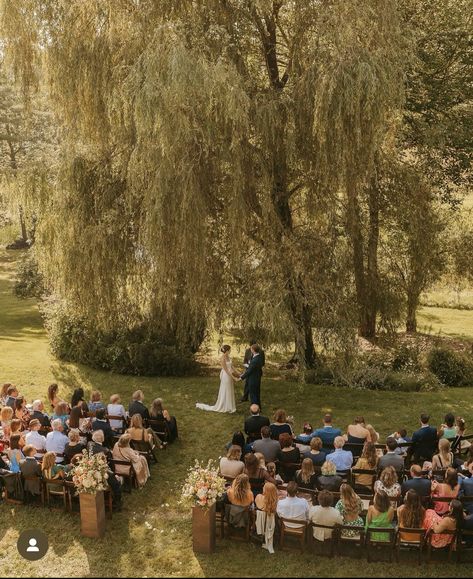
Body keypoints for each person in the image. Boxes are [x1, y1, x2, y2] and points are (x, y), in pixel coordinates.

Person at [196, 345, 238, 413]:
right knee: (226, 390)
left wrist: (239, 372)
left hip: (229, 375)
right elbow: (226, 370)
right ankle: (224, 406)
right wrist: (234, 377)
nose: (230, 351)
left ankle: (230, 406)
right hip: (226, 376)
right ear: (227, 351)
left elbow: (232, 366)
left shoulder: (228, 357)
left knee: (230, 389)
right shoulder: (222, 358)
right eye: (230, 350)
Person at [239, 344, 264, 408]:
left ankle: (255, 409)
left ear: (253, 350)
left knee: (253, 396)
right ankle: (259, 408)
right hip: (257, 379)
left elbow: (249, 371)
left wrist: (241, 377)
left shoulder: (255, 360)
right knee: (257, 394)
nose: (250, 350)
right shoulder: (258, 357)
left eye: (251, 349)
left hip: (253, 380)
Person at [255, 482, 277, 554]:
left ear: (265, 490)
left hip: (258, 520)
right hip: (269, 523)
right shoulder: (275, 502)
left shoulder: (258, 497)